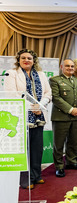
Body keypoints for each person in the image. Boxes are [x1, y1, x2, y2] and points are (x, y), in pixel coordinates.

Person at [5, 49, 52, 189]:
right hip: (21, 116)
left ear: (34, 60)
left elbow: (48, 93)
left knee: (37, 147)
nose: (26, 60)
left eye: (29, 58)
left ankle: (36, 175)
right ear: (18, 60)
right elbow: (12, 95)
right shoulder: (12, 74)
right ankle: (26, 180)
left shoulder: (41, 74)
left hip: (39, 114)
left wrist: (40, 105)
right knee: (25, 149)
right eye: (23, 58)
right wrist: (32, 106)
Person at [50, 59, 77, 177]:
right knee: (59, 143)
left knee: (73, 142)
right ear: (62, 67)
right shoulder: (55, 80)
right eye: (67, 66)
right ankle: (59, 166)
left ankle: (71, 162)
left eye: (72, 66)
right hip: (61, 116)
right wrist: (71, 110)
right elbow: (56, 97)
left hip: (76, 116)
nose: (70, 68)